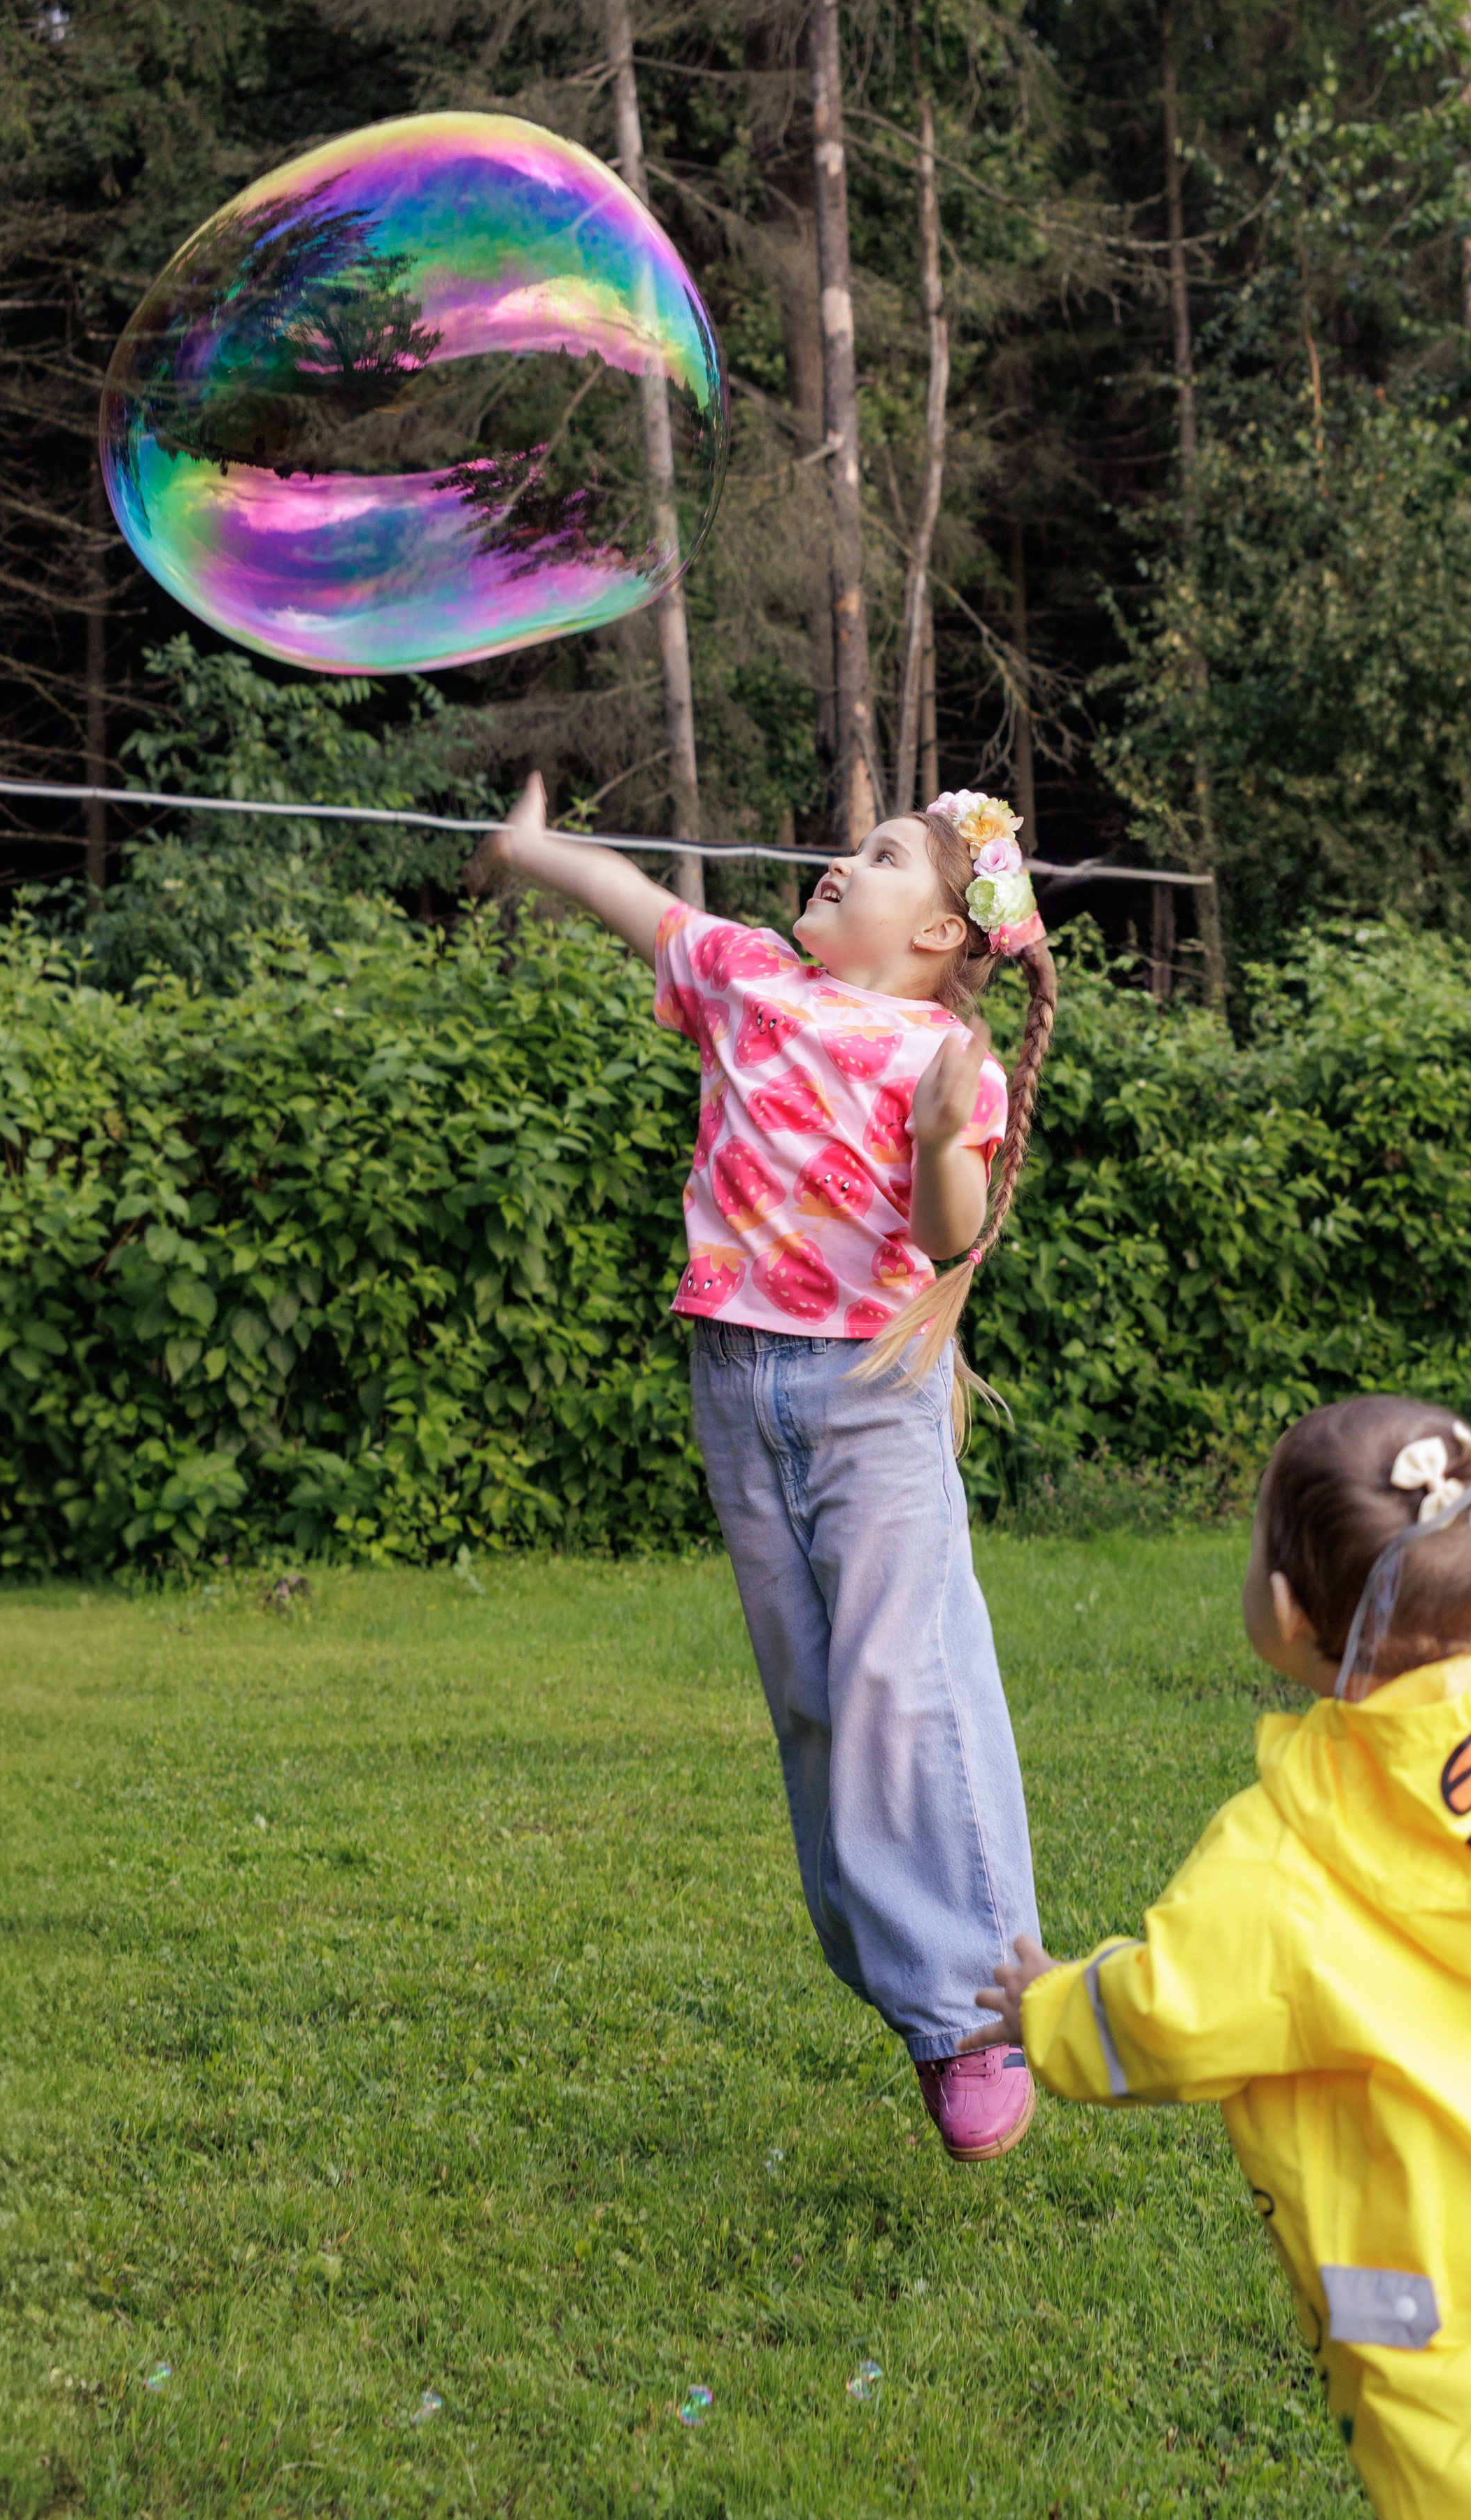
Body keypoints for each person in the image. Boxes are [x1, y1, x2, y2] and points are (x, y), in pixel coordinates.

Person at [968, 1394, 1471, 2519]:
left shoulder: (1283, 1861)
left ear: (1286, 1612)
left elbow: (1167, 2012)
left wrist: (1049, 2005)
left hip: (1442, 2307)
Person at [488, 777, 1056, 2159]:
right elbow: (642, 907)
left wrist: (935, 1145)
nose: (834, 863)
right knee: (812, 1697)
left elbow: (943, 1234)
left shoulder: (944, 1059)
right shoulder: (746, 978)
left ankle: (978, 2011)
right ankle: (909, 1988)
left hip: (869, 1394)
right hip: (736, 1386)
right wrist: (537, 854)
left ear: (935, 937)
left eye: (875, 858)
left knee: (896, 1681)